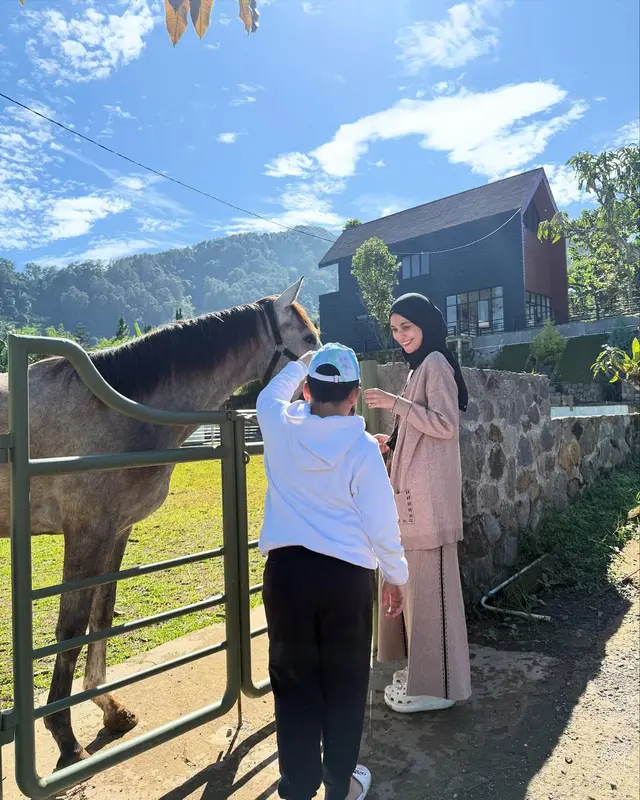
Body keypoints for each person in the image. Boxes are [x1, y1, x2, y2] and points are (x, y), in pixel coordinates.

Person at [257, 342, 409, 800]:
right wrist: (396, 576)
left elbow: (269, 395)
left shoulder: (279, 425)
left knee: (294, 685)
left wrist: (302, 362)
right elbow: (382, 524)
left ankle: (297, 789)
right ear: (355, 395)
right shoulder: (362, 449)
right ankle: (339, 785)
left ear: (306, 390)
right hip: (345, 580)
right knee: (344, 686)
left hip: (285, 577)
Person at [364, 293, 472, 714]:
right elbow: (420, 424)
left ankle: (438, 688)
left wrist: (394, 403)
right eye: (394, 329)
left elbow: (445, 424)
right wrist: (390, 442)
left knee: (431, 595)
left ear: (426, 325)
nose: (400, 336)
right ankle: (426, 678)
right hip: (415, 503)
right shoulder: (419, 367)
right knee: (418, 593)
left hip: (429, 504)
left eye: (406, 327)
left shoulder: (437, 364)